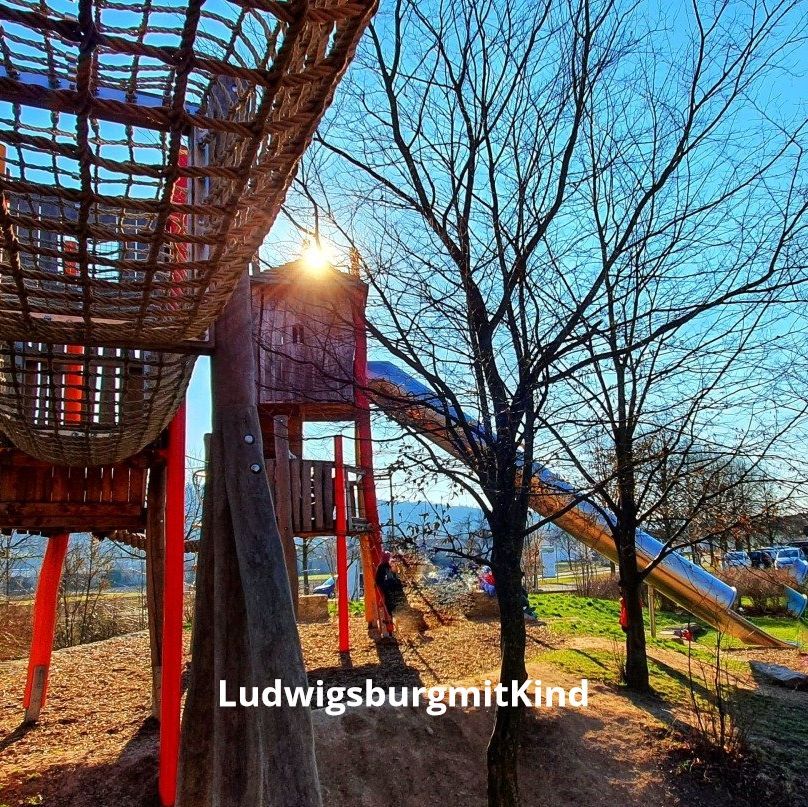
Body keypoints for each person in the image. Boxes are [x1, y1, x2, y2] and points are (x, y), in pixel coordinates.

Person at [375, 551, 405, 616]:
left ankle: (394, 612)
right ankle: (394, 612)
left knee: (390, 598)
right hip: (388, 586)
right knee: (390, 598)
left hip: (388, 586)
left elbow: (379, 579)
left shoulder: (386, 566)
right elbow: (380, 579)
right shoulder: (385, 566)